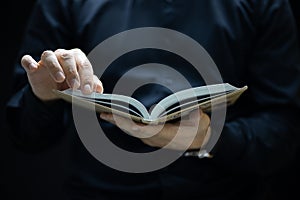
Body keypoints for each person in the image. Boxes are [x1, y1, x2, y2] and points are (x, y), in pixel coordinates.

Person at [6, 0, 300, 199]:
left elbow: (284, 130)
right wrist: (42, 95)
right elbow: (26, 137)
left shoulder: (262, 4)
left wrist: (210, 136)